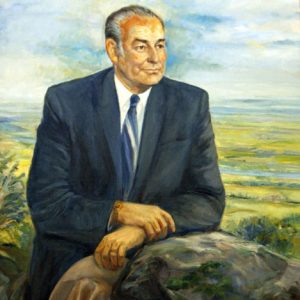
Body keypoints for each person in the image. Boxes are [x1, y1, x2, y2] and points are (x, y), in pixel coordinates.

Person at [26, 5, 225, 300]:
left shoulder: (190, 103)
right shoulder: (67, 102)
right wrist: (117, 212)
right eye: (141, 46)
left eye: (160, 45)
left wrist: (143, 229)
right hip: (79, 251)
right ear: (113, 50)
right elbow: (47, 204)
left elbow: (209, 200)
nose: (155, 58)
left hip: (159, 252)